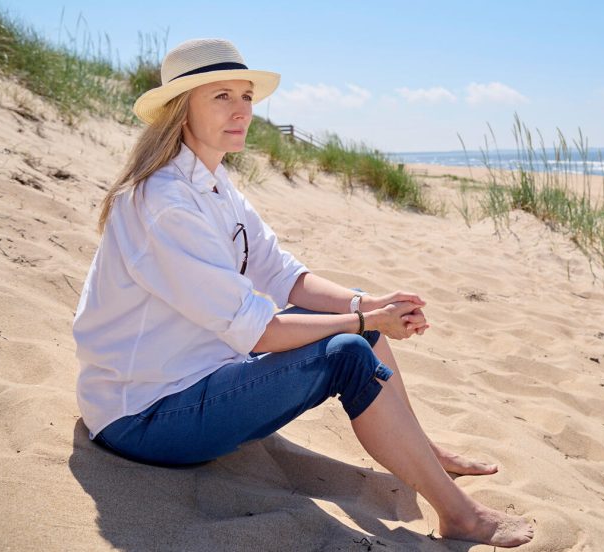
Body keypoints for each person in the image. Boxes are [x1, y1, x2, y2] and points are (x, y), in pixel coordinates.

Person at [71, 38, 533, 547]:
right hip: (143, 417)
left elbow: (285, 275)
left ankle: (425, 453)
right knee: (347, 351)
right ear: (181, 109)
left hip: (198, 378)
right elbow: (259, 332)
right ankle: (461, 516)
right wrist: (365, 321)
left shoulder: (214, 184)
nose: (241, 110)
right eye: (221, 96)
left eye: (246, 96)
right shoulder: (166, 203)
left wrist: (369, 305)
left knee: (354, 312)